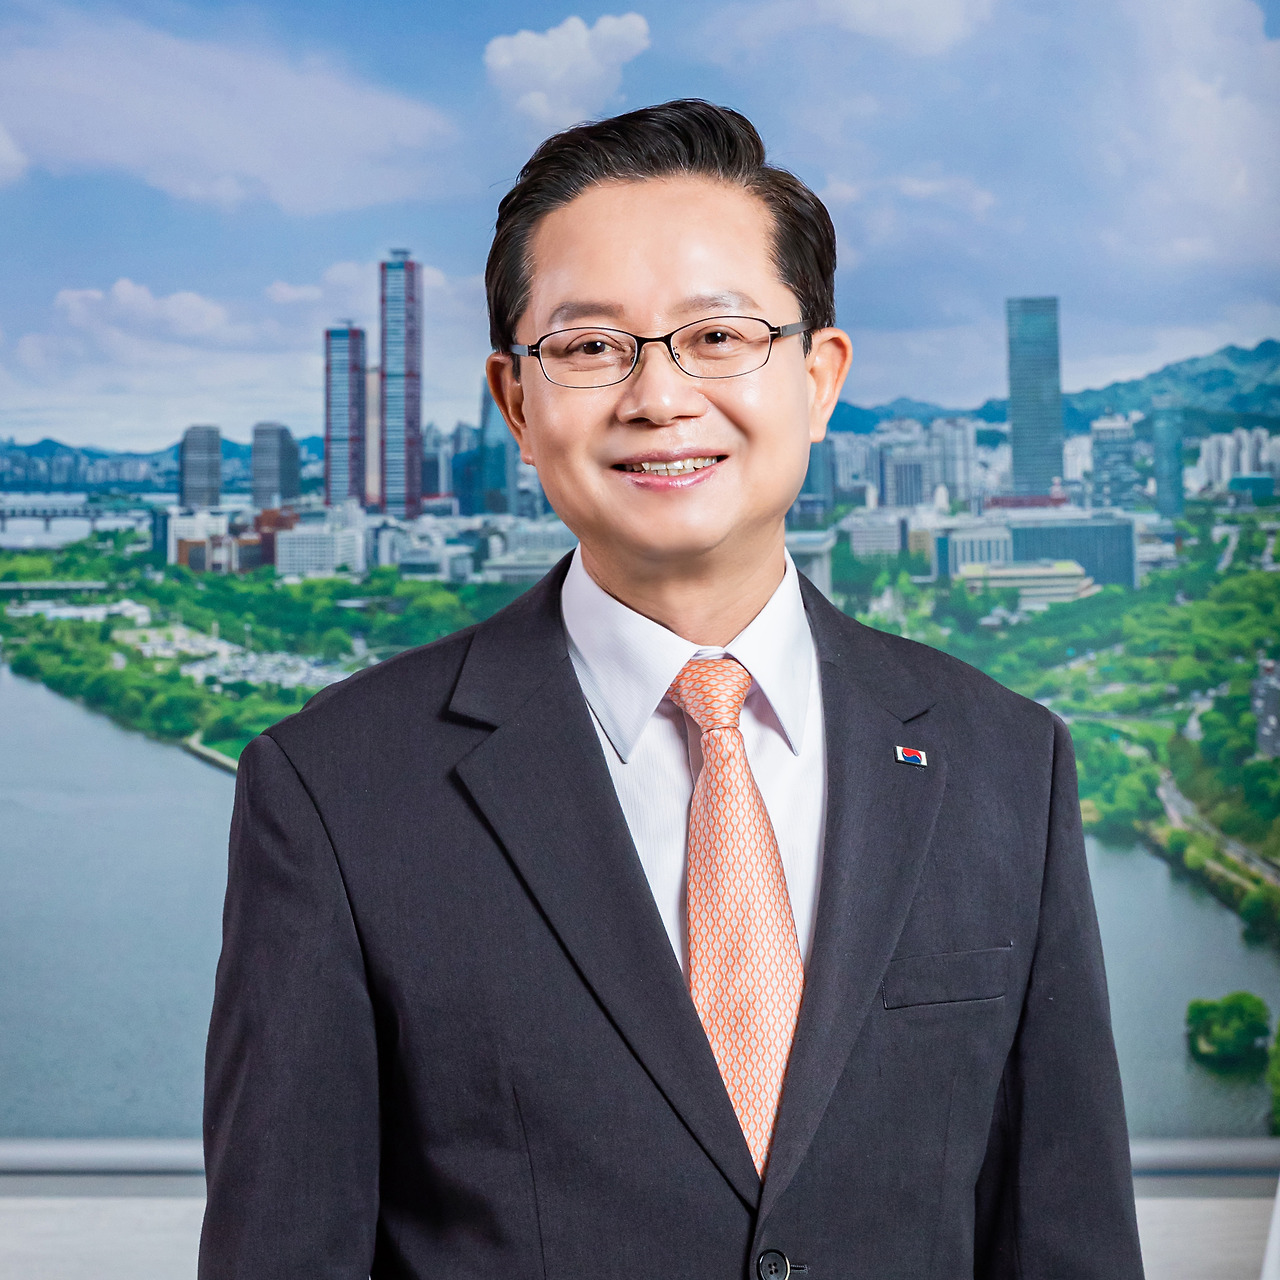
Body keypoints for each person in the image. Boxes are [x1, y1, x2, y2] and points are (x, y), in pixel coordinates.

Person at [200, 99, 1144, 1279]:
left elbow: (1064, 1241)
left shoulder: (1002, 761)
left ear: (819, 377)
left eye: (717, 335)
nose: (657, 395)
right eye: (590, 347)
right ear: (515, 402)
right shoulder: (336, 789)